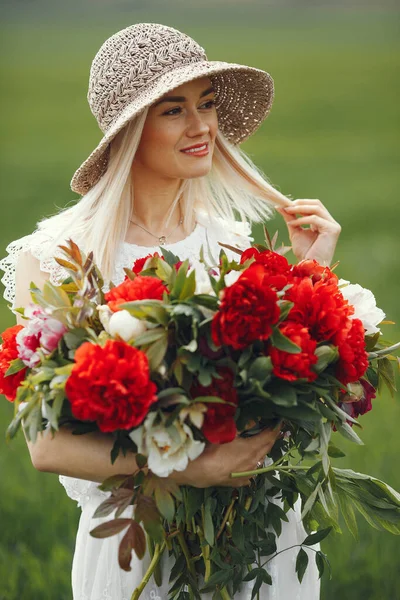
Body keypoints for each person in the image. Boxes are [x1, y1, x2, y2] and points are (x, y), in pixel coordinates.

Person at [0, 23, 341, 600]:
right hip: (137, 547)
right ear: (129, 131)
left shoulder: (232, 245)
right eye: (174, 109)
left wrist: (309, 279)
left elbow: (284, 396)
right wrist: (192, 469)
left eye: (207, 104)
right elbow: (47, 447)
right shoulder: (59, 258)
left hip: (258, 542)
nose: (202, 126)